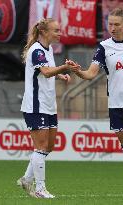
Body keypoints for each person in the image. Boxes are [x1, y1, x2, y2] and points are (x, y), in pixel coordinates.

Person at [68, 8, 123, 197]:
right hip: (117, 104)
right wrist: (78, 71)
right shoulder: (103, 47)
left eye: (117, 24)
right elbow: (91, 74)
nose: (113, 28)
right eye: (110, 24)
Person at [17, 18, 79, 198]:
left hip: (49, 105)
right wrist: (65, 68)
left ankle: (27, 179)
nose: (59, 33)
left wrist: (61, 76)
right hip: (36, 106)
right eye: (56, 30)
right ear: (44, 32)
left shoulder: (48, 49)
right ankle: (39, 188)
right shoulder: (36, 50)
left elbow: (47, 70)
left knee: (48, 146)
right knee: (41, 146)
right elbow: (45, 72)